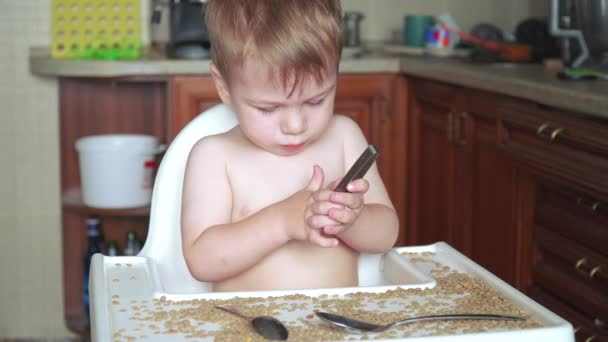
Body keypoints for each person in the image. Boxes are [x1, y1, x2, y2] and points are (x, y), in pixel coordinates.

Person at [181, 0, 399, 292]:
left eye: (315, 101)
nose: (295, 126)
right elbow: (201, 260)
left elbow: (387, 234)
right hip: (248, 329)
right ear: (223, 87)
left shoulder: (344, 136)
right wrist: (283, 221)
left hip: (338, 328)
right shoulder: (215, 156)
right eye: (269, 109)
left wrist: (354, 220)